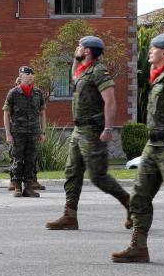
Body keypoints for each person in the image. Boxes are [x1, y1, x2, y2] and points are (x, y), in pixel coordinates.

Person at [46, 35, 130, 230]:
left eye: (80, 47)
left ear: (88, 51)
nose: (77, 48)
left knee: (98, 176)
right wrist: (75, 60)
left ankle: (132, 206)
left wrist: (108, 128)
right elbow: (75, 77)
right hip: (79, 129)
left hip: (93, 130)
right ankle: (70, 216)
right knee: (72, 172)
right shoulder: (84, 71)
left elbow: (110, 100)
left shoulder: (99, 71)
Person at [112, 33, 164, 263]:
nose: (149, 51)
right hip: (153, 145)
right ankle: (138, 247)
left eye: (153, 48)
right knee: (140, 195)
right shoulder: (159, 77)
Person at [3, 66, 47, 198]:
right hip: (18, 133)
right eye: (27, 75)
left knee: (30, 160)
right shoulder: (13, 93)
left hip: (33, 133)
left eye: (31, 75)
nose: (30, 77)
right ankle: (17, 186)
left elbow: (42, 114)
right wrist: (8, 133)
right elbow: (6, 113)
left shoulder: (38, 93)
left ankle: (29, 188)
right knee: (17, 159)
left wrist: (43, 132)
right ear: (20, 77)